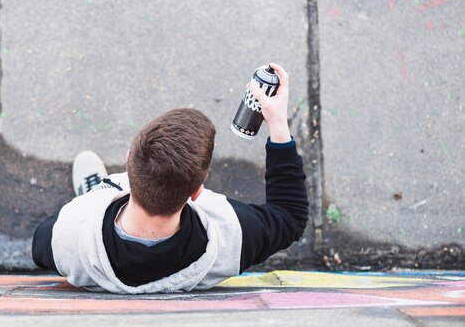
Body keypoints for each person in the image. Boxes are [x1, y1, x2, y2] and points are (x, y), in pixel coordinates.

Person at [32, 63, 308, 293]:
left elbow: (39, 245)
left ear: (129, 161)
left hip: (92, 230)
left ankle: (98, 193)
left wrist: (92, 204)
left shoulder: (68, 237)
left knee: (96, 201)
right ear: (197, 192)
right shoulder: (231, 237)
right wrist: (278, 124)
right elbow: (289, 216)